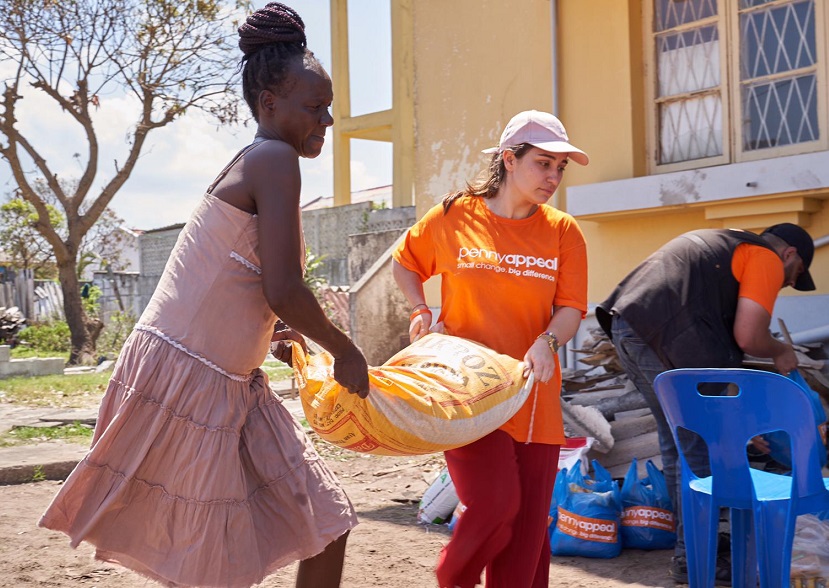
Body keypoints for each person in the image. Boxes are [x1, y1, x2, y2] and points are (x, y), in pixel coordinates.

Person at [38, 4, 369, 588]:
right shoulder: (274, 159)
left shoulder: (263, 160)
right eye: (314, 107)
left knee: (325, 521)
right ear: (270, 104)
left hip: (229, 381)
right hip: (189, 377)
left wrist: (271, 331)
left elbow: (245, 282)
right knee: (208, 563)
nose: (328, 119)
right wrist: (345, 349)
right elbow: (284, 288)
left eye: (329, 107)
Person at [393, 110, 590, 588]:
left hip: (534, 398)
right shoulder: (456, 214)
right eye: (544, 163)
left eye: (560, 168)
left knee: (526, 540)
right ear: (509, 158)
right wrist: (420, 308)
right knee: (496, 505)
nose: (553, 177)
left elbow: (570, 308)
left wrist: (548, 342)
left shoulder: (564, 232)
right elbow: (406, 262)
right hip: (467, 395)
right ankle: (453, 578)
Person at [595, 222, 816, 586]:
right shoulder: (765, 257)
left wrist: (738, 422)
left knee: (680, 445)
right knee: (696, 449)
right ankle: (698, 560)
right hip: (661, 333)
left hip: (630, 325)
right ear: (789, 254)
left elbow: (716, 346)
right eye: (794, 276)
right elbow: (749, 336)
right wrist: (781, 351)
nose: (786, 283)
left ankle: (697, 549)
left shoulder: (727, 247)